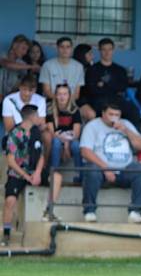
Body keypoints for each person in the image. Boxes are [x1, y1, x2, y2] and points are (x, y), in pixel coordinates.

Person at [79, 102, 141, 223]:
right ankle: (89, 211)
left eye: (117, 115)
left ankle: (135, 212)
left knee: (140, 170)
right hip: (101, 170)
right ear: (103, 114)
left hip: (124, 169)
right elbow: (85, 151)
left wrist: (126, 131)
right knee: (92, 170)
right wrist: (105, 168)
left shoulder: (126, 124)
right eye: (111, 114)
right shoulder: (92, 126)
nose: (114, 117)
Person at [2, 105, 45, 246]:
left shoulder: (36, 132)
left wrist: (37, 173)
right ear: (32, 117)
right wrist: (26, 176)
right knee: (10, 201)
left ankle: (49, 214)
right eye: (37, 115)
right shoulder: (15, 133)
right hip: (18, 173)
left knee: (56, 178)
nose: (39, 118)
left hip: (34, 172)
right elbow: (10, 161)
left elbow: (41, 156)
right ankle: (6, 234)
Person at [44, 83, 82, 221]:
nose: (62, 97)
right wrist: (63, 141)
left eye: (65, 94)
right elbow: (52, 132)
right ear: (55, 95)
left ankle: (79, 175)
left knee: (76, 145)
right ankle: (53, 173)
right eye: (59, 94)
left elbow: (76, 133)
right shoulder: (50, 109)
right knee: (55, 142)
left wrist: (67, 143)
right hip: (58, 138)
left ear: (69, 95)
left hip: (70, 139)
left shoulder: (74, 110)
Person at [84, 38, 139, 124]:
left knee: (133, 111)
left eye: (109, 49)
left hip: (117, 99)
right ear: (99, 51)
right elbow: (92, 89)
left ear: (113, 50)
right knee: (104, 113)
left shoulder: (120, 70)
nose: (107, 52)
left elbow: (123, 87)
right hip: (99, 100)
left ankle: (131, 135)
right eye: (104, 49)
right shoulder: (92, 70)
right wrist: (113, 86)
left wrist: (103, 84)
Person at [39, 37, 84, 104]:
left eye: (68, 47)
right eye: (62, 47)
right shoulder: (47, 65)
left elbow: (76, 94)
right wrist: (61, 101)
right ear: (57, 48)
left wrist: (66, 102)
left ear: (72, 49)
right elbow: (46, 91)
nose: (65, 50)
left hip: (71, 102)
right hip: (52, 101)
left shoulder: (79, 67)